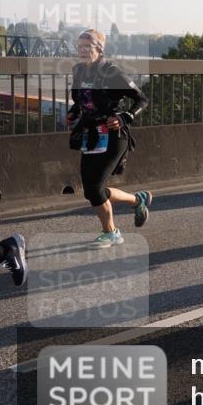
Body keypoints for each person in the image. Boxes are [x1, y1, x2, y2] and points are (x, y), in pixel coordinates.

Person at [66, 29, 151, 248]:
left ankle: (111, 232)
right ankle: (137, 200)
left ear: (99, 49)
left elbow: (141, 99)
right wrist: (74, 113)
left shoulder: (111, 72)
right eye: (79, 46)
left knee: (94, 189)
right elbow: (81, 100)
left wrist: (126, 116)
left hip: (113, 135)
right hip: (91, 135)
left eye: (87, 47)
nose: (82, 51)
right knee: (92, 190)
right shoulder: (78, 71)